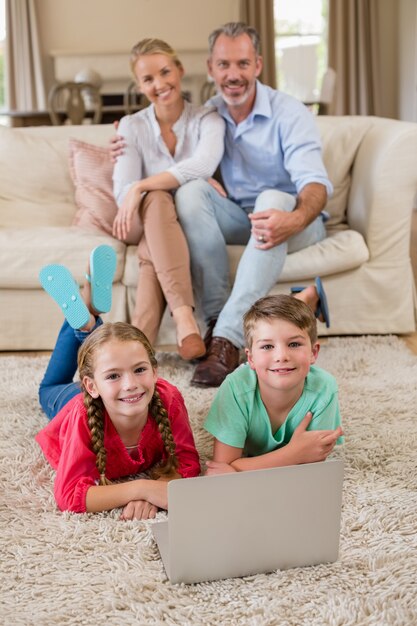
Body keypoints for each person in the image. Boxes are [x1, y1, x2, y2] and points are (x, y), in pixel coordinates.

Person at [172, 22, 333, 386]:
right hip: (241, 217)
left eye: (243, 64)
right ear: (211, 68)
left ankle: (227, 338)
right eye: (224, 65)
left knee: (272, 197)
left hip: (297, 219)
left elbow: (315, 184)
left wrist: (293, 218)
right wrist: (126, 137)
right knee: (190, 191)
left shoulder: (289, 112)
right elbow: (169, 159)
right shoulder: (207, 115)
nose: (233, 75)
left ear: (258, 65)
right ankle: (217, 322)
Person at [36, 245, 200, 520]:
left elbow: (188, 462)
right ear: (91, 386)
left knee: (106, 354)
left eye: (140, 370)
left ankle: (88, 322)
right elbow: (70, 495)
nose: (131, 384)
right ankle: (86, 324)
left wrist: (157, 491)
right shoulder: (82, 414)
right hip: (77, 400)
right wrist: (144, 489)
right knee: (48, 390)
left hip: (103, 390)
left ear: (155, 370)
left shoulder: (168, 397)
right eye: (114, 375)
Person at [112, 38, 225, 361]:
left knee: (152, 250)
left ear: (180, 70)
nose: (159, 84)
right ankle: (184, 317)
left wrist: (141, 186)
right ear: (139, 85)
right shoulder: (132, 126)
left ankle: (136, 348)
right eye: (148, 79)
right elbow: (123, 190)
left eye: (165, 72)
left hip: (175, 224)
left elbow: (204, 163)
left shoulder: (208, 119)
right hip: (134, 220)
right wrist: (141, 192)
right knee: (159, 200)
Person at [204, 294, 343, 476]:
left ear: (313, 353)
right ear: (251, 358)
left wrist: (239, 468)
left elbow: (314, 463)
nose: (281, 356)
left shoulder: (324, 388)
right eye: (267, 347)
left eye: (294, 344)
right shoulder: (235, 388)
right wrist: (294, 454)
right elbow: (221, 468)